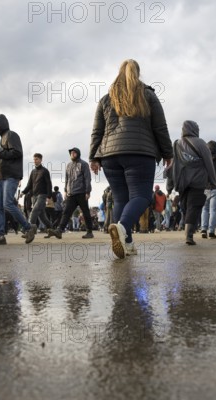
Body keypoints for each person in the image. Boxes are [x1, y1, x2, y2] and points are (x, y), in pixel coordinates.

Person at [89, 59, 173, 258]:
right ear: (138, 73)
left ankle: (126, 243)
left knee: (121, 198)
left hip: (109, 155)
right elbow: (160, 127)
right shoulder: (148, 95)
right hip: (139, 152)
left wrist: (93, 157)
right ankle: (123, 227)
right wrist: (168, 153)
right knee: (142, 197)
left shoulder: (106, 99)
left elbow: (96, 131)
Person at [0, 114, 35, 245]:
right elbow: (5, 155)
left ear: (1, 123)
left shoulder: (12, 135)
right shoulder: (2, 138)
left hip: (10, 176)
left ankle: (28, 227)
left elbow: (17, 152)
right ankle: (0, 235)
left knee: (7, 204)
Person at [167, 120, 216, 245]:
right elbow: (208, 163)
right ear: (194, 129)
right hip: (198, 180)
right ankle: (189, 235)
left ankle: (189, 230)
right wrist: (212, 180)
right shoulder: (200, 143)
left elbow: (172, 166)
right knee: (193, 206)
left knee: (185, 206)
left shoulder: (177, 144)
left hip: (181, 181)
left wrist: (169, 186)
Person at [48, 147, 95, 239]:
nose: (72, 154)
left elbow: (87, 178)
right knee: (66, 212)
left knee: (85, 213)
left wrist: (88, 191)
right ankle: (59, 230)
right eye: (71, 153)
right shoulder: (68, 165)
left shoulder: (83, 164)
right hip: (71, 194)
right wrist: (65, 190)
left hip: (82, 193)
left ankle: (89, 232)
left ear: (78, 154)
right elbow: (67, 179)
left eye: (74, 153)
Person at [21, 153, 54, 241]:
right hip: (34, 196)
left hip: (42, 195)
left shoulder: (45, 171)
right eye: (34, 159)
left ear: (41, 160)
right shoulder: (33, 172)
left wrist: (49, 196)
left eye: (37, 159)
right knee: (43, 216)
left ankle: (29, 231)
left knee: (34, 211)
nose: (35, 161)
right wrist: (23, 192)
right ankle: (52, 229)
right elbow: (29, 185)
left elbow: (49, 184)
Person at [200, 140, 216, 239]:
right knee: (213, 210)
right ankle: (211, 231)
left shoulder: (204, 159)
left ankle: (203, 230)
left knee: (204, 209)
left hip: (205, 187)